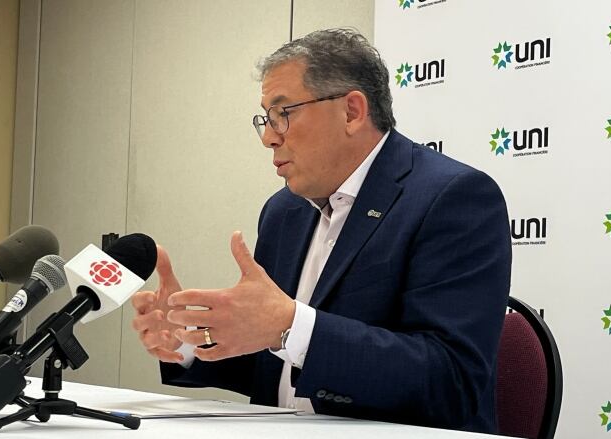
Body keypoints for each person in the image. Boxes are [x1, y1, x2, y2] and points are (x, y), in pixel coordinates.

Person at [132, 28, 511, 434]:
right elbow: (274, 365)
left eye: (284, 113)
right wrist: (191, 340)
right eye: (265, 117)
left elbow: (450, 381)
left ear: (351, 111)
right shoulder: (284, 212)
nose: (268, 137)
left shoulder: (452, 198)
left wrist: (290, 325)